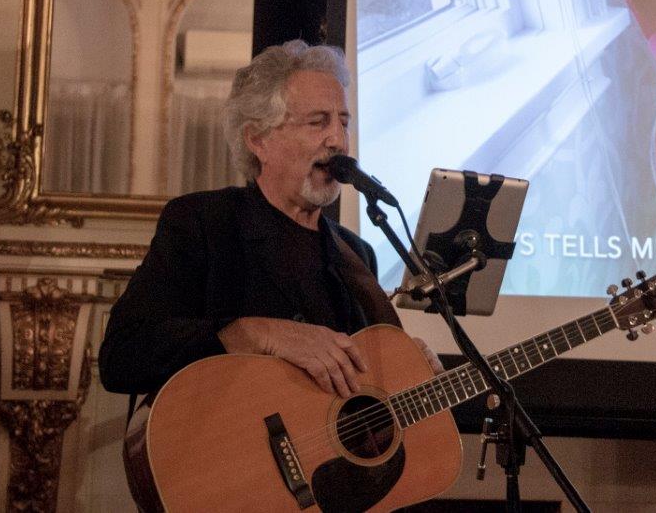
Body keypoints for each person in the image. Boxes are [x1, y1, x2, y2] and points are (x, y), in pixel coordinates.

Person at [99, 40, 441, 400]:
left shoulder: (356, 255)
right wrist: (253, 334)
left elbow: (355, 397)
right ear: (258, 140)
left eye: (344, 122)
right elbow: (122, 356)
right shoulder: (203, 224)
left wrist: (404, 374)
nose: (338, 141)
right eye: (318, 122)